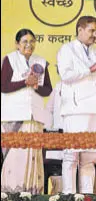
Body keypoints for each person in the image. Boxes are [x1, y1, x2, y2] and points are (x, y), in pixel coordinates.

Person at [57, 16, 96, 194]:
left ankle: (87, 196)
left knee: (90, 158)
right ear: (80, 30)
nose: (95, 35)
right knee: (71, 156)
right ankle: (69, 195)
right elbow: (66, 75)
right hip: (76, 111)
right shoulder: (67, 50)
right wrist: (90, 68)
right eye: (91, 31)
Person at [1, 28, 53, 194]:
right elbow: (4, 86)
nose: (28, 45)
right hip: (13, 117)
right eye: (24, 42)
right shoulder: (10, 59)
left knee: (32, 158)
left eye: (32, 41)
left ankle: (32, 194)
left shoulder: (41, 62)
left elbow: (47, 90)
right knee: (14, 158)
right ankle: (11, 194)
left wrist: (35, 85)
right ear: (17, 44)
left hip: (34, 116)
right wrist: (25, 82)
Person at [44, 73, 64, 195]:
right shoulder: (57, 87)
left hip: (78, 140)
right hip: (57, 145)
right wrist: (48, 135)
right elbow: (48, 111)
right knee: (58, 187)